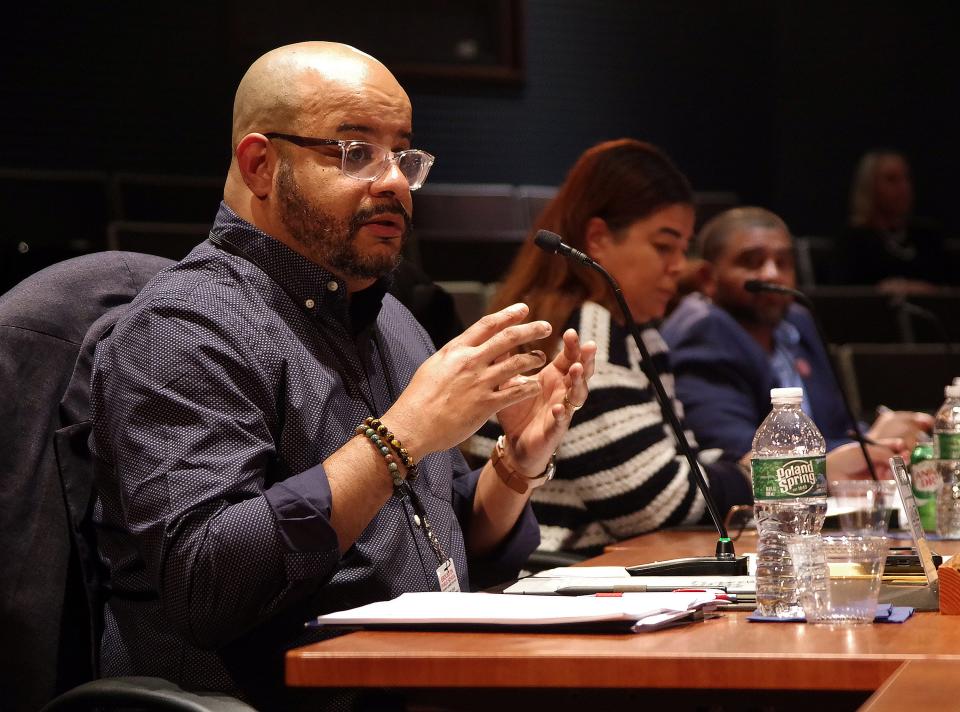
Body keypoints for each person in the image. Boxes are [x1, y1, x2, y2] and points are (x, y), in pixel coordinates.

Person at [89, 41, 596, 706]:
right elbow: (205, 582)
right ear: (261, 164)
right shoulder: (186, 326)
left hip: (426, 679)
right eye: (355, 151)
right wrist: (402, 437)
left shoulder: (392, 324)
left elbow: (428, 548)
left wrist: (516, 466)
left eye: (402, 155)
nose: (392, 181)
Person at [463, 139, 754, 557]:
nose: (679, 265)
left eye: (683, 247)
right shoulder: (582, 334)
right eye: (663, 245)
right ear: (597, 239)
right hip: (553, 583)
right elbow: (658, 503)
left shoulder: (637, 331)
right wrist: (759, 475)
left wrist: (749, 461)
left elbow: (677, 457)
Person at [661, 206, 931, 468]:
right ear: (708, 277)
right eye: (752, 262)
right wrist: (871, 445)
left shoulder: (797, 321)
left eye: (783, 262)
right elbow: (743, 455)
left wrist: (884, 440)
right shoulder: (703, 332)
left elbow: (839, 424)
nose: (772, 274)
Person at [840, 149, 948, 292]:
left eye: (906, 178)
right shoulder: (853, 240)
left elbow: (947, 290)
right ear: (869, 186)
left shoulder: (928, 236)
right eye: (891, 179)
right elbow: (844, 297)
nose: (903, 187)